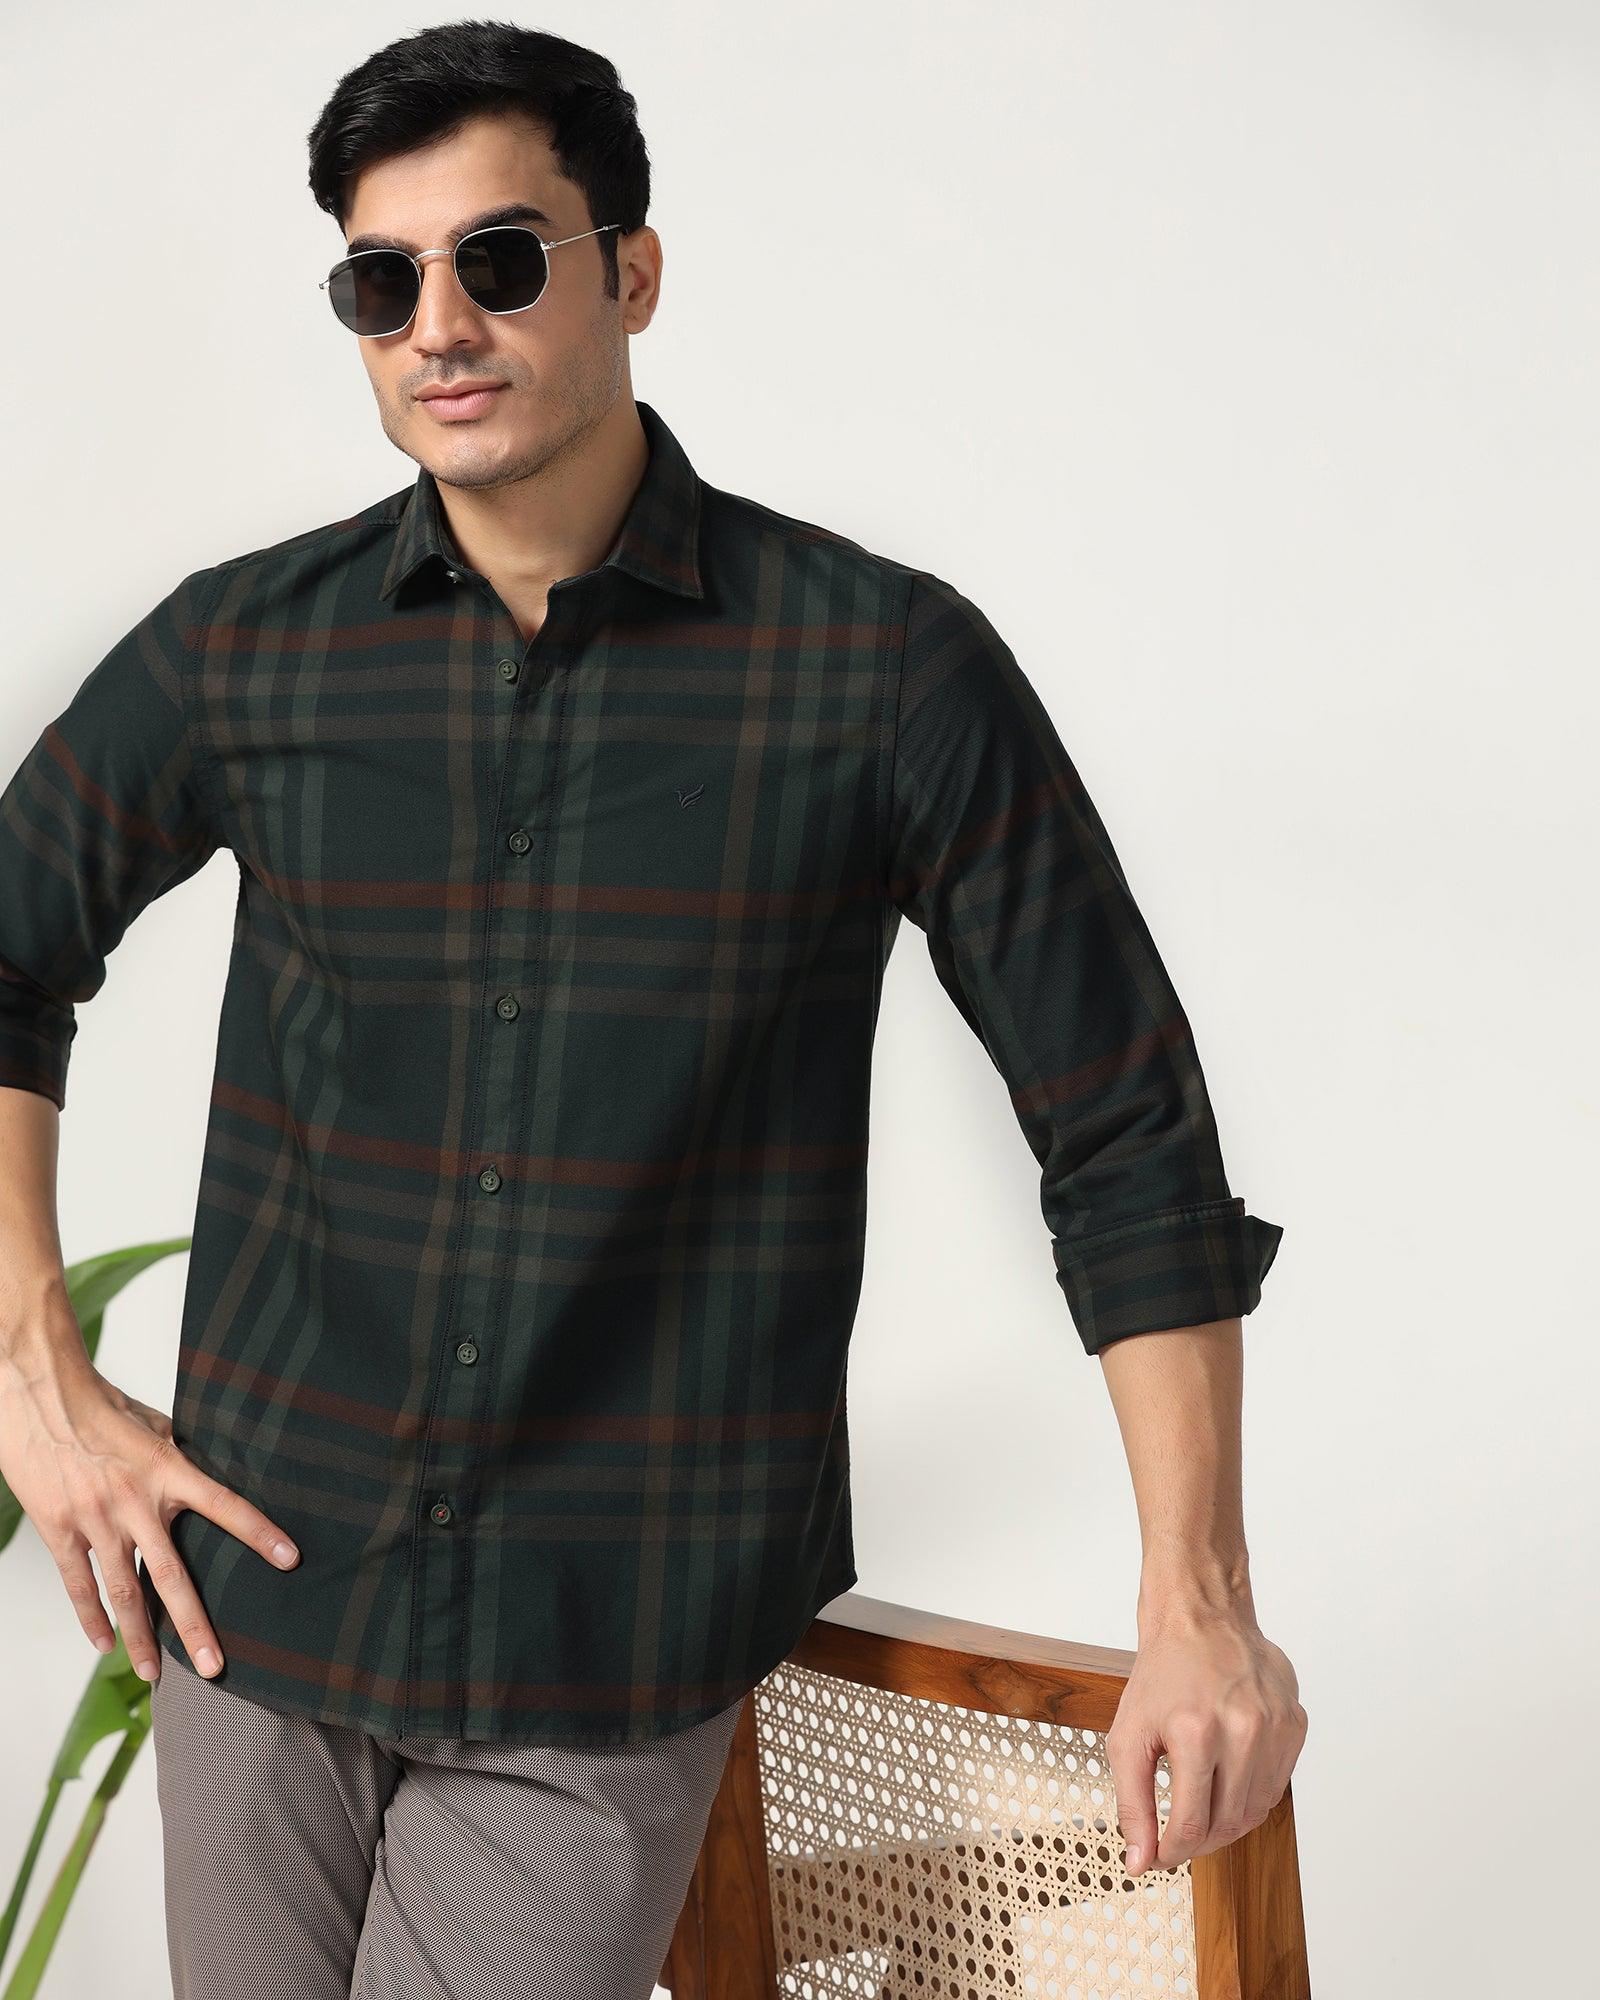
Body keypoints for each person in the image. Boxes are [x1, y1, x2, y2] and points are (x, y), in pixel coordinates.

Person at [0, 21, 1306, 2000]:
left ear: (631, 271)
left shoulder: (880, 671)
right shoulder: (246, 653)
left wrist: (1197, 1599)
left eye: (498, 259)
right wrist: (40, 1377)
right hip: (255, 1602)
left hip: (606, 1644)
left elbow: (1122, 1134)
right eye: (381, 283)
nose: (438, 324)